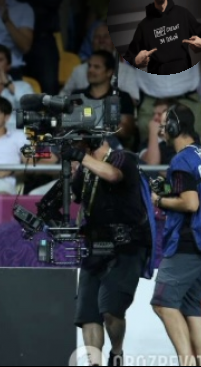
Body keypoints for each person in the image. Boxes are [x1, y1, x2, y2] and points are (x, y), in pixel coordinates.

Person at [60, 135, 153, 367]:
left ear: (91, 144)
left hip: (126, 245)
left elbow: (113, 175)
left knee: (111, 311)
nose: (76, 148)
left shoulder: (124, 158)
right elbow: (74, 195)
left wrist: (80, 158)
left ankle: (117, 352)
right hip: (94, 246)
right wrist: (67, 180)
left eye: (79, 144)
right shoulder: (85, 169)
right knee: (88, 314)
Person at [151, 104, 201, 366]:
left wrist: (159, 201)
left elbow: (191, 203)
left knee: (163, 304)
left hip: (188, 243)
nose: (161, 130)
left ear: (174, 127)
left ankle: (188, 362)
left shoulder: (181, 159)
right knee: (191, 307)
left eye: (164, 125)